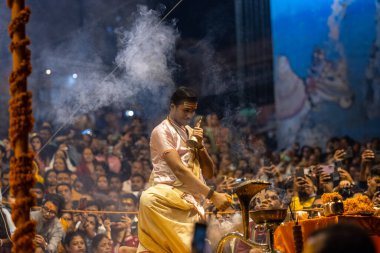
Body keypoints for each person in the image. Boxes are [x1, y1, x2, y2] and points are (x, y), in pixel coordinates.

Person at [137, 87, 231, 253]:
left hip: (195, 204)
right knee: (148, 198)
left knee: (200, 250)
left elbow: (209, 174)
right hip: (168, 199)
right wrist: (213, 195)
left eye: (193, 111)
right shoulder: (161, 131)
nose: (189, 116)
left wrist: (201, 146)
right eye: (185, 110)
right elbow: (179, 171)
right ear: (172, 106)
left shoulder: (190, 132)